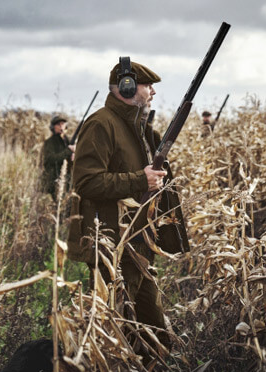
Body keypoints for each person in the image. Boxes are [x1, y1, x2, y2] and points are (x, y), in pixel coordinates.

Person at [67, 58, 190, 354]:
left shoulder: (138, 128)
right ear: (127, 87)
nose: (153, 92)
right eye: (148, 86)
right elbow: (86, 183)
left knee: (153, 331)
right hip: (113, 245)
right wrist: (140, 179)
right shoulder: (101, 125)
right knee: (116, 330)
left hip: (139, 242)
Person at [41, 115, 75, 200]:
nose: (61, 127)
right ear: (53, 127)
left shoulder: (68, 140)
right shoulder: (50, 142)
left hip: (66, 180)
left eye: (63, 124)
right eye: (58, 124)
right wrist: (68, 151)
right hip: (53, 180)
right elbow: (51, 159)